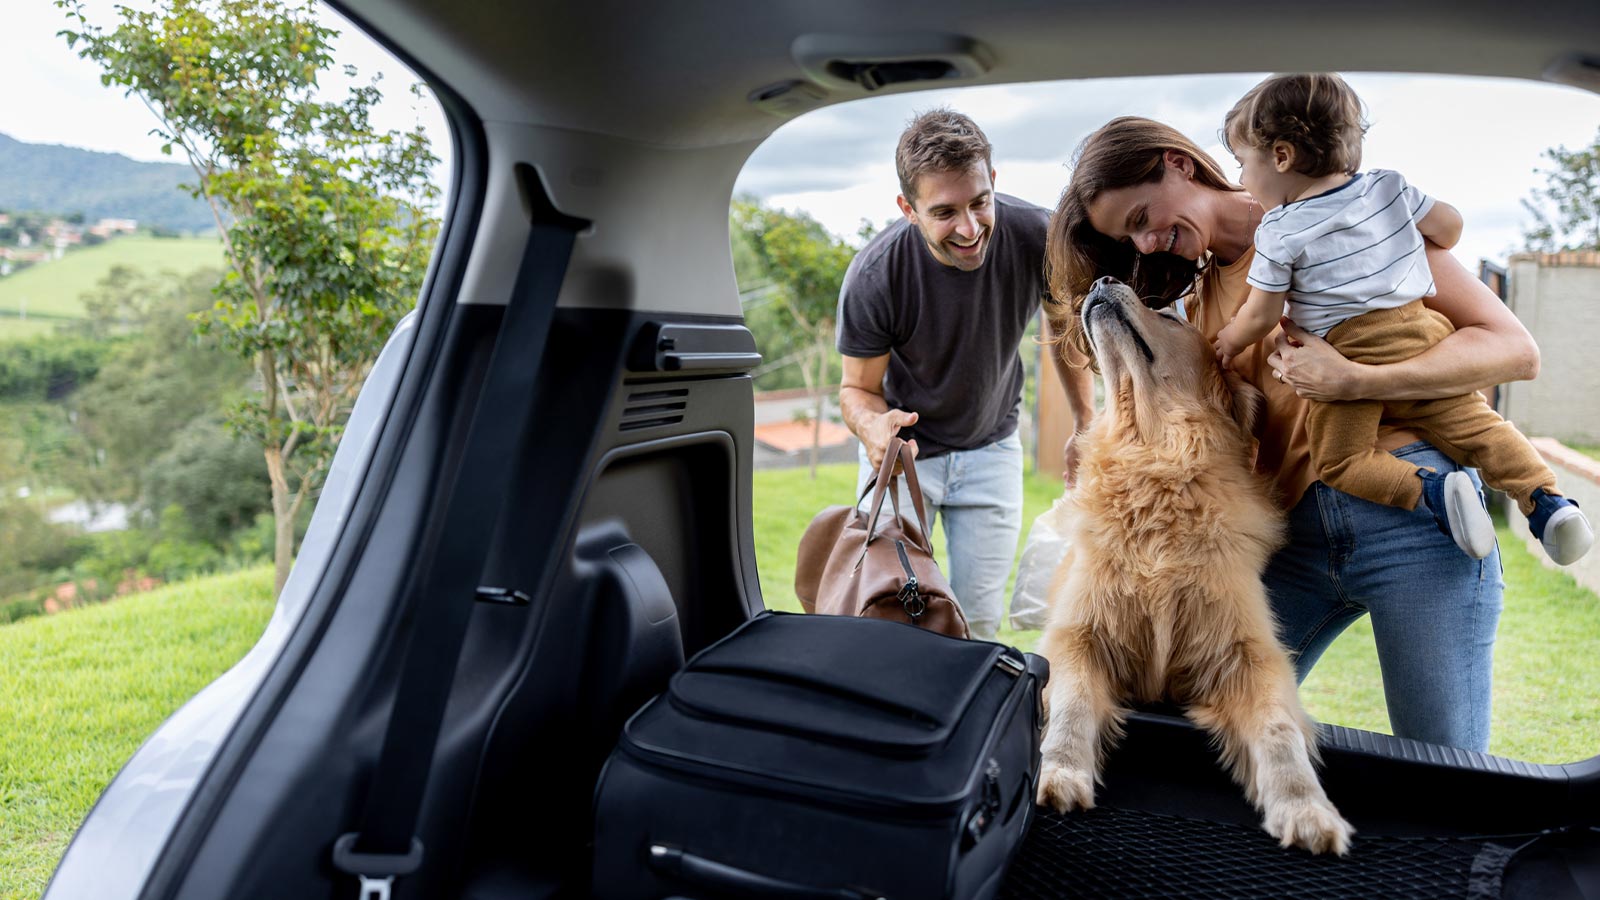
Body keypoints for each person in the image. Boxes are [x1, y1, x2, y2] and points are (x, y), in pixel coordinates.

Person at [1045, 114, 1540, 753]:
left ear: (1178, 163)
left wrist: (1355, 381)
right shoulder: (1198, 301)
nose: (1144, 244)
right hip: (1295, 538)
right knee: (1190, 730)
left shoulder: (1353, 221)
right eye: (1128, 237)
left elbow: (1513, 351)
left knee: (1444, 763)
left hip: (1416, 520)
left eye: (1141, 217)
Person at [1213, 73, 1591, 566]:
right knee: (1481, 429)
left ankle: (1433, 493)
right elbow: (1450, 228)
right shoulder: (1387, 187)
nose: (1242, 180)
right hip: (1423, 334)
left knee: (1342, 461)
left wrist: (1228, 340)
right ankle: (1547, 502)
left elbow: (1261, 314)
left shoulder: (1279, 231)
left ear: (1281, 157)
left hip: (1349, 351)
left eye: (1243, 164)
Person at [836, 107, 1095, 641]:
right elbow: (858, 390)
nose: (970, 227)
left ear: (993, 182)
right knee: (890, 618)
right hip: (904, 458)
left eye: (980, 202)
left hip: (991, 450)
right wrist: (873, 429)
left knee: (975, 622)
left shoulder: (1037, 236)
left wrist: (1085, 421)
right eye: (945, 212)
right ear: (909, 208)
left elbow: (1065, 328)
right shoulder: (876, 274)